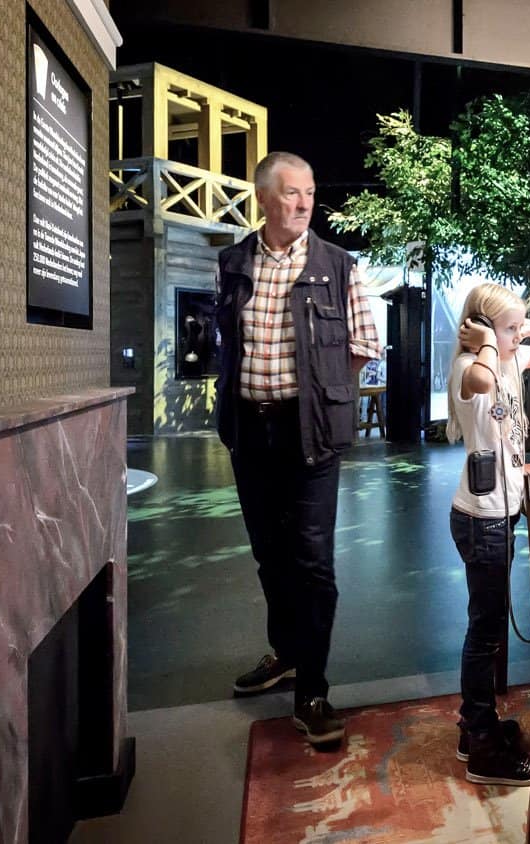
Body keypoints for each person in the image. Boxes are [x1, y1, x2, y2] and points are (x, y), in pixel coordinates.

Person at [214, 151, 380, 746]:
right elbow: (226, 340)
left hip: (309, 433)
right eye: (292, 192)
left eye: (310, 191)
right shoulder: (232, 263)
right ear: (264, 198)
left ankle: (312, 688)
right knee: (269, 553)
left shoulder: (338, 265)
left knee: (312, 562)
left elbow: (364, 343)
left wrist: (322, 393)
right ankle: (285, 652)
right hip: (248, 429)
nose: (305, 201)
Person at [447, 282, 530, 785]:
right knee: (485, 630)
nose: (520, 338)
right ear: (481, 332)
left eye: (520, 329)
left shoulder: (512, 361)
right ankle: (480, 744)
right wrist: (490, 342)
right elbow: (479, 378)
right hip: (482, 518)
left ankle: (472, 726)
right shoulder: (469, 368)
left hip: (502, 512)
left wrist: (518, 326)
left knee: (489, 626)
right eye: (511, 329)